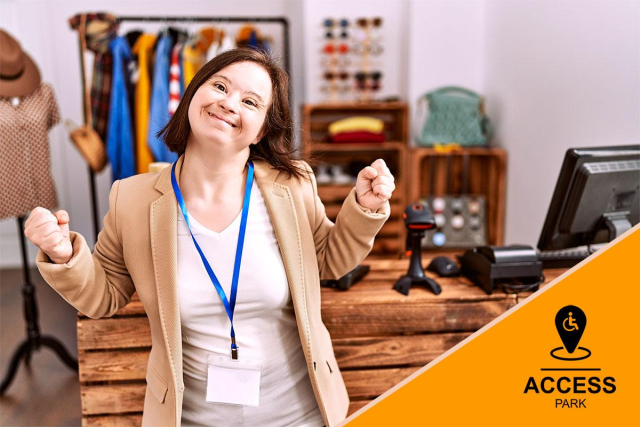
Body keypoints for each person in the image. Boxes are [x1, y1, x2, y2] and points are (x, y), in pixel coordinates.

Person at [25, 48, 394, 427]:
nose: (228, 102)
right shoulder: (131, 198)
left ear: (263, 128)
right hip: (191, 420)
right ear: (193, 95)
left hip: (300, 415)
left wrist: (363, 208)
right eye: (219, 85)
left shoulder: (292, 184)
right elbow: (104, 297)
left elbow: (329, 262)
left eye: (250, 101)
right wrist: (62, 252)